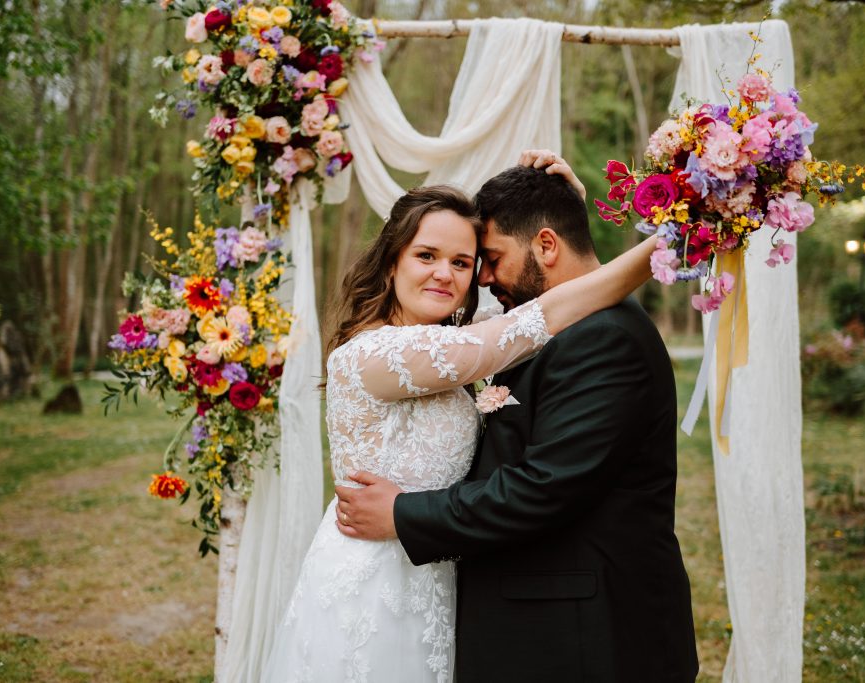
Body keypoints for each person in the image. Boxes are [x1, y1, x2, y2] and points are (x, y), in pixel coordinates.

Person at [261, 152, 662, 682]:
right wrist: (671, 241)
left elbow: (555, 289)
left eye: (464, 261)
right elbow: (543, 313)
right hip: (374, 579)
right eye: (425, 254)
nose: (446, 274)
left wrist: (564, 206)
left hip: (437, 579)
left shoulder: (462, 335)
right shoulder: (376, 354)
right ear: (391, 261)